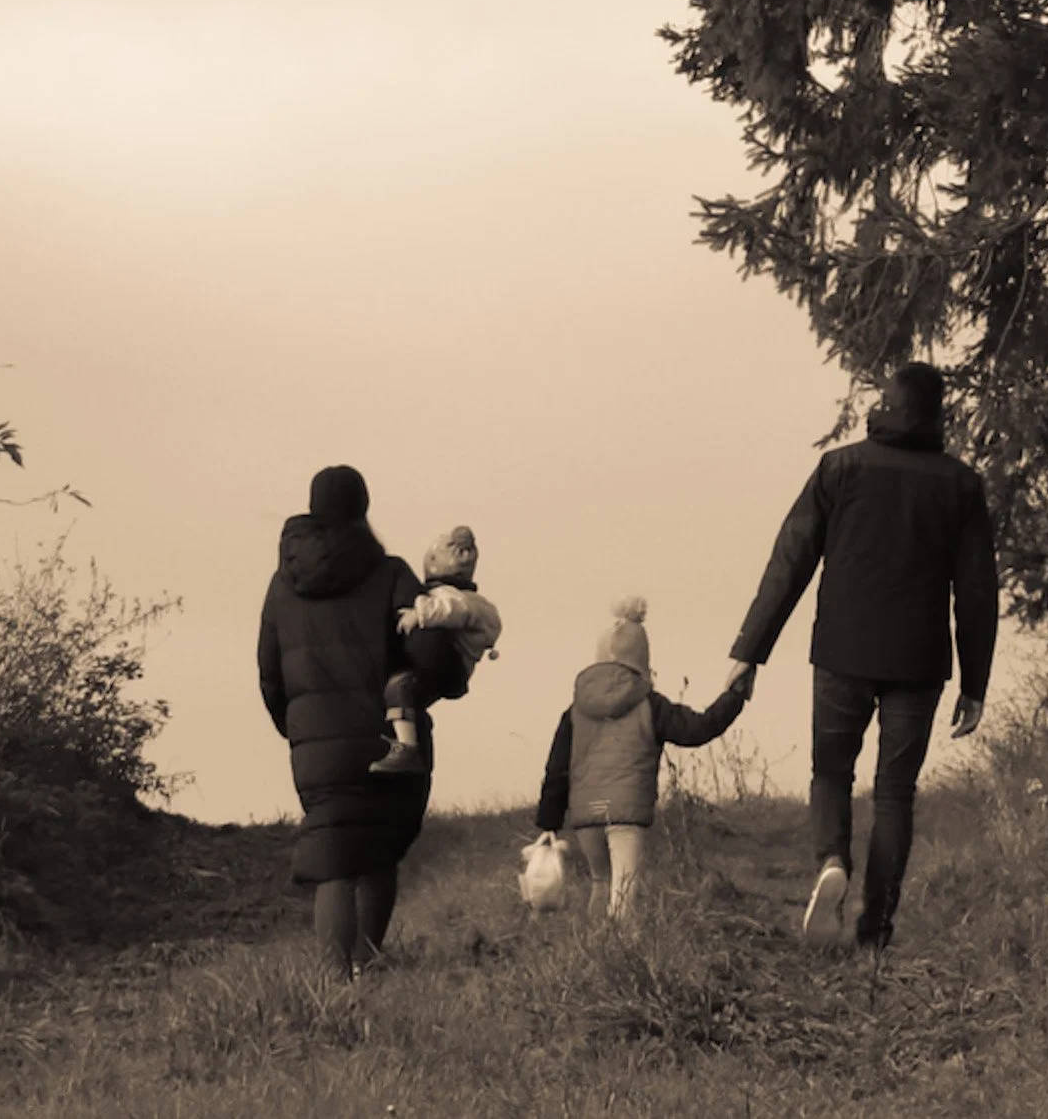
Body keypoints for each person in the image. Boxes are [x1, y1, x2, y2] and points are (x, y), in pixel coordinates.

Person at [727, 362, 998, 952]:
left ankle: (831, 863)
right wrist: (975, 683)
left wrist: (751, 651)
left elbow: (790, 560)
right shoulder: (960, 484)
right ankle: (874, 932)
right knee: (895, 792)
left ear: (887, 405)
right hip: (920, 662)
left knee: (831, 770)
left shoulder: (840, 468)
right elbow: (977, 592)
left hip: (842, 652)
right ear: (935, 415)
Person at [257, 465, 469, 979]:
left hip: (317, 745)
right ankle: (369, 968)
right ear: (363, 507)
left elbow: (268, 670)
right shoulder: (391, 572)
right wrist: (436, 689)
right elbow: (432, 654)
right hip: (388, 736)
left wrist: (299, 730)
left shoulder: (283, 586)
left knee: (334, 854)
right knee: (378, 849)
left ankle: (332, 986)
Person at [534, 598, 752, 919]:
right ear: (642, 660)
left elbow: (556, 770)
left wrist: (548, 822)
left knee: (601, 881)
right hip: (626, 815)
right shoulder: (650, 704)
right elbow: (699, 729)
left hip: (586, 816)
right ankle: (620, 958)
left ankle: (594, 953)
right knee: (624, 892)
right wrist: (735, 696)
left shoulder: (575, 710)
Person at [372, 524, 502, 775]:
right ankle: (402, 737)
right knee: (406, 696)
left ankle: (407, 748)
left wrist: (419, 614)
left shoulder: (456, 599)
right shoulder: (472, 601)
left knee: (399, 688)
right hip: (455, 668)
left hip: (451, 664)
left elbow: (452, 610)